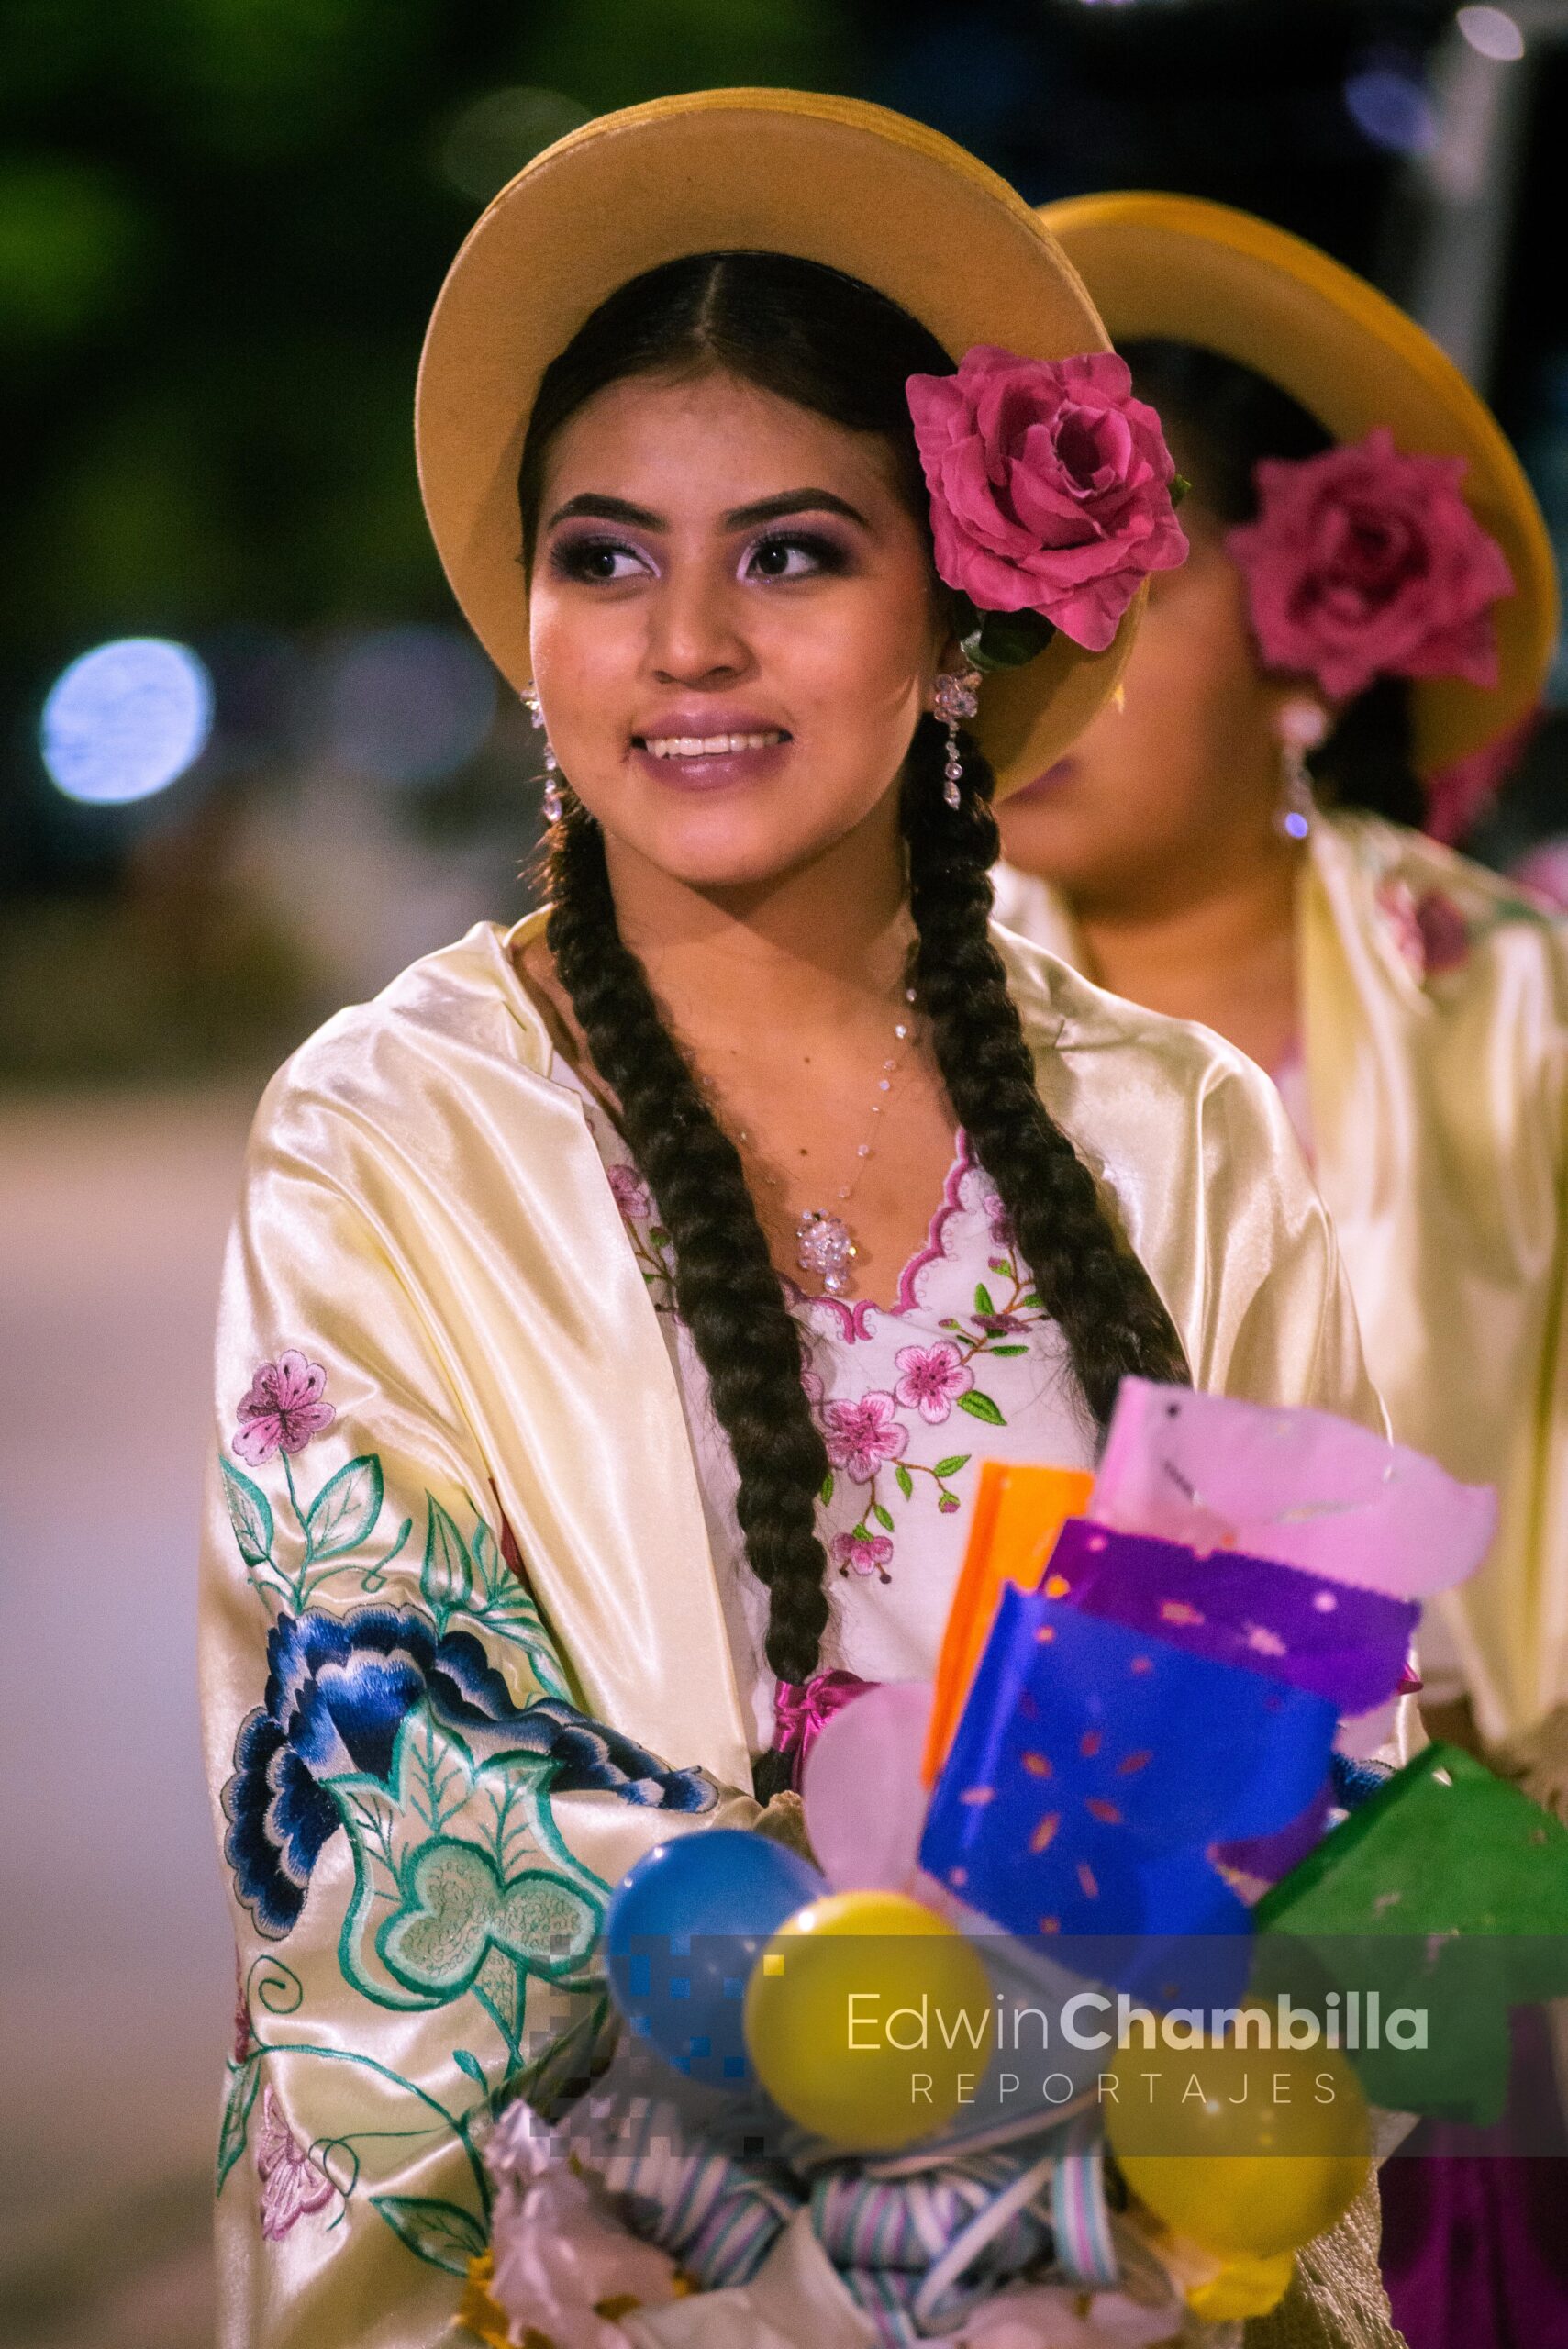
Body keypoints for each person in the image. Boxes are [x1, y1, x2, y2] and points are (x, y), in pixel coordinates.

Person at [201, 102, 1392, 2348]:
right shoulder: (394, 1132)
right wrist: (813, 2037)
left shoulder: (1182, 1137)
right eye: (607, 556)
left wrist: (1157, 2175)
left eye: (791, 554)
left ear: (954, 613)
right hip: (621, 2276)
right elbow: (377, 1761)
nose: (686, 643)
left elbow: (1335, 1784)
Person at [990, 193, 1568, 2349]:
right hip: (992, 1961)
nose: (1047, 661)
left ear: (1314, 618)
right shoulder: (888, 1020)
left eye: (1122, 594)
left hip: (1482, 1960)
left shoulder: (1509, 1007)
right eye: (1003, 601)